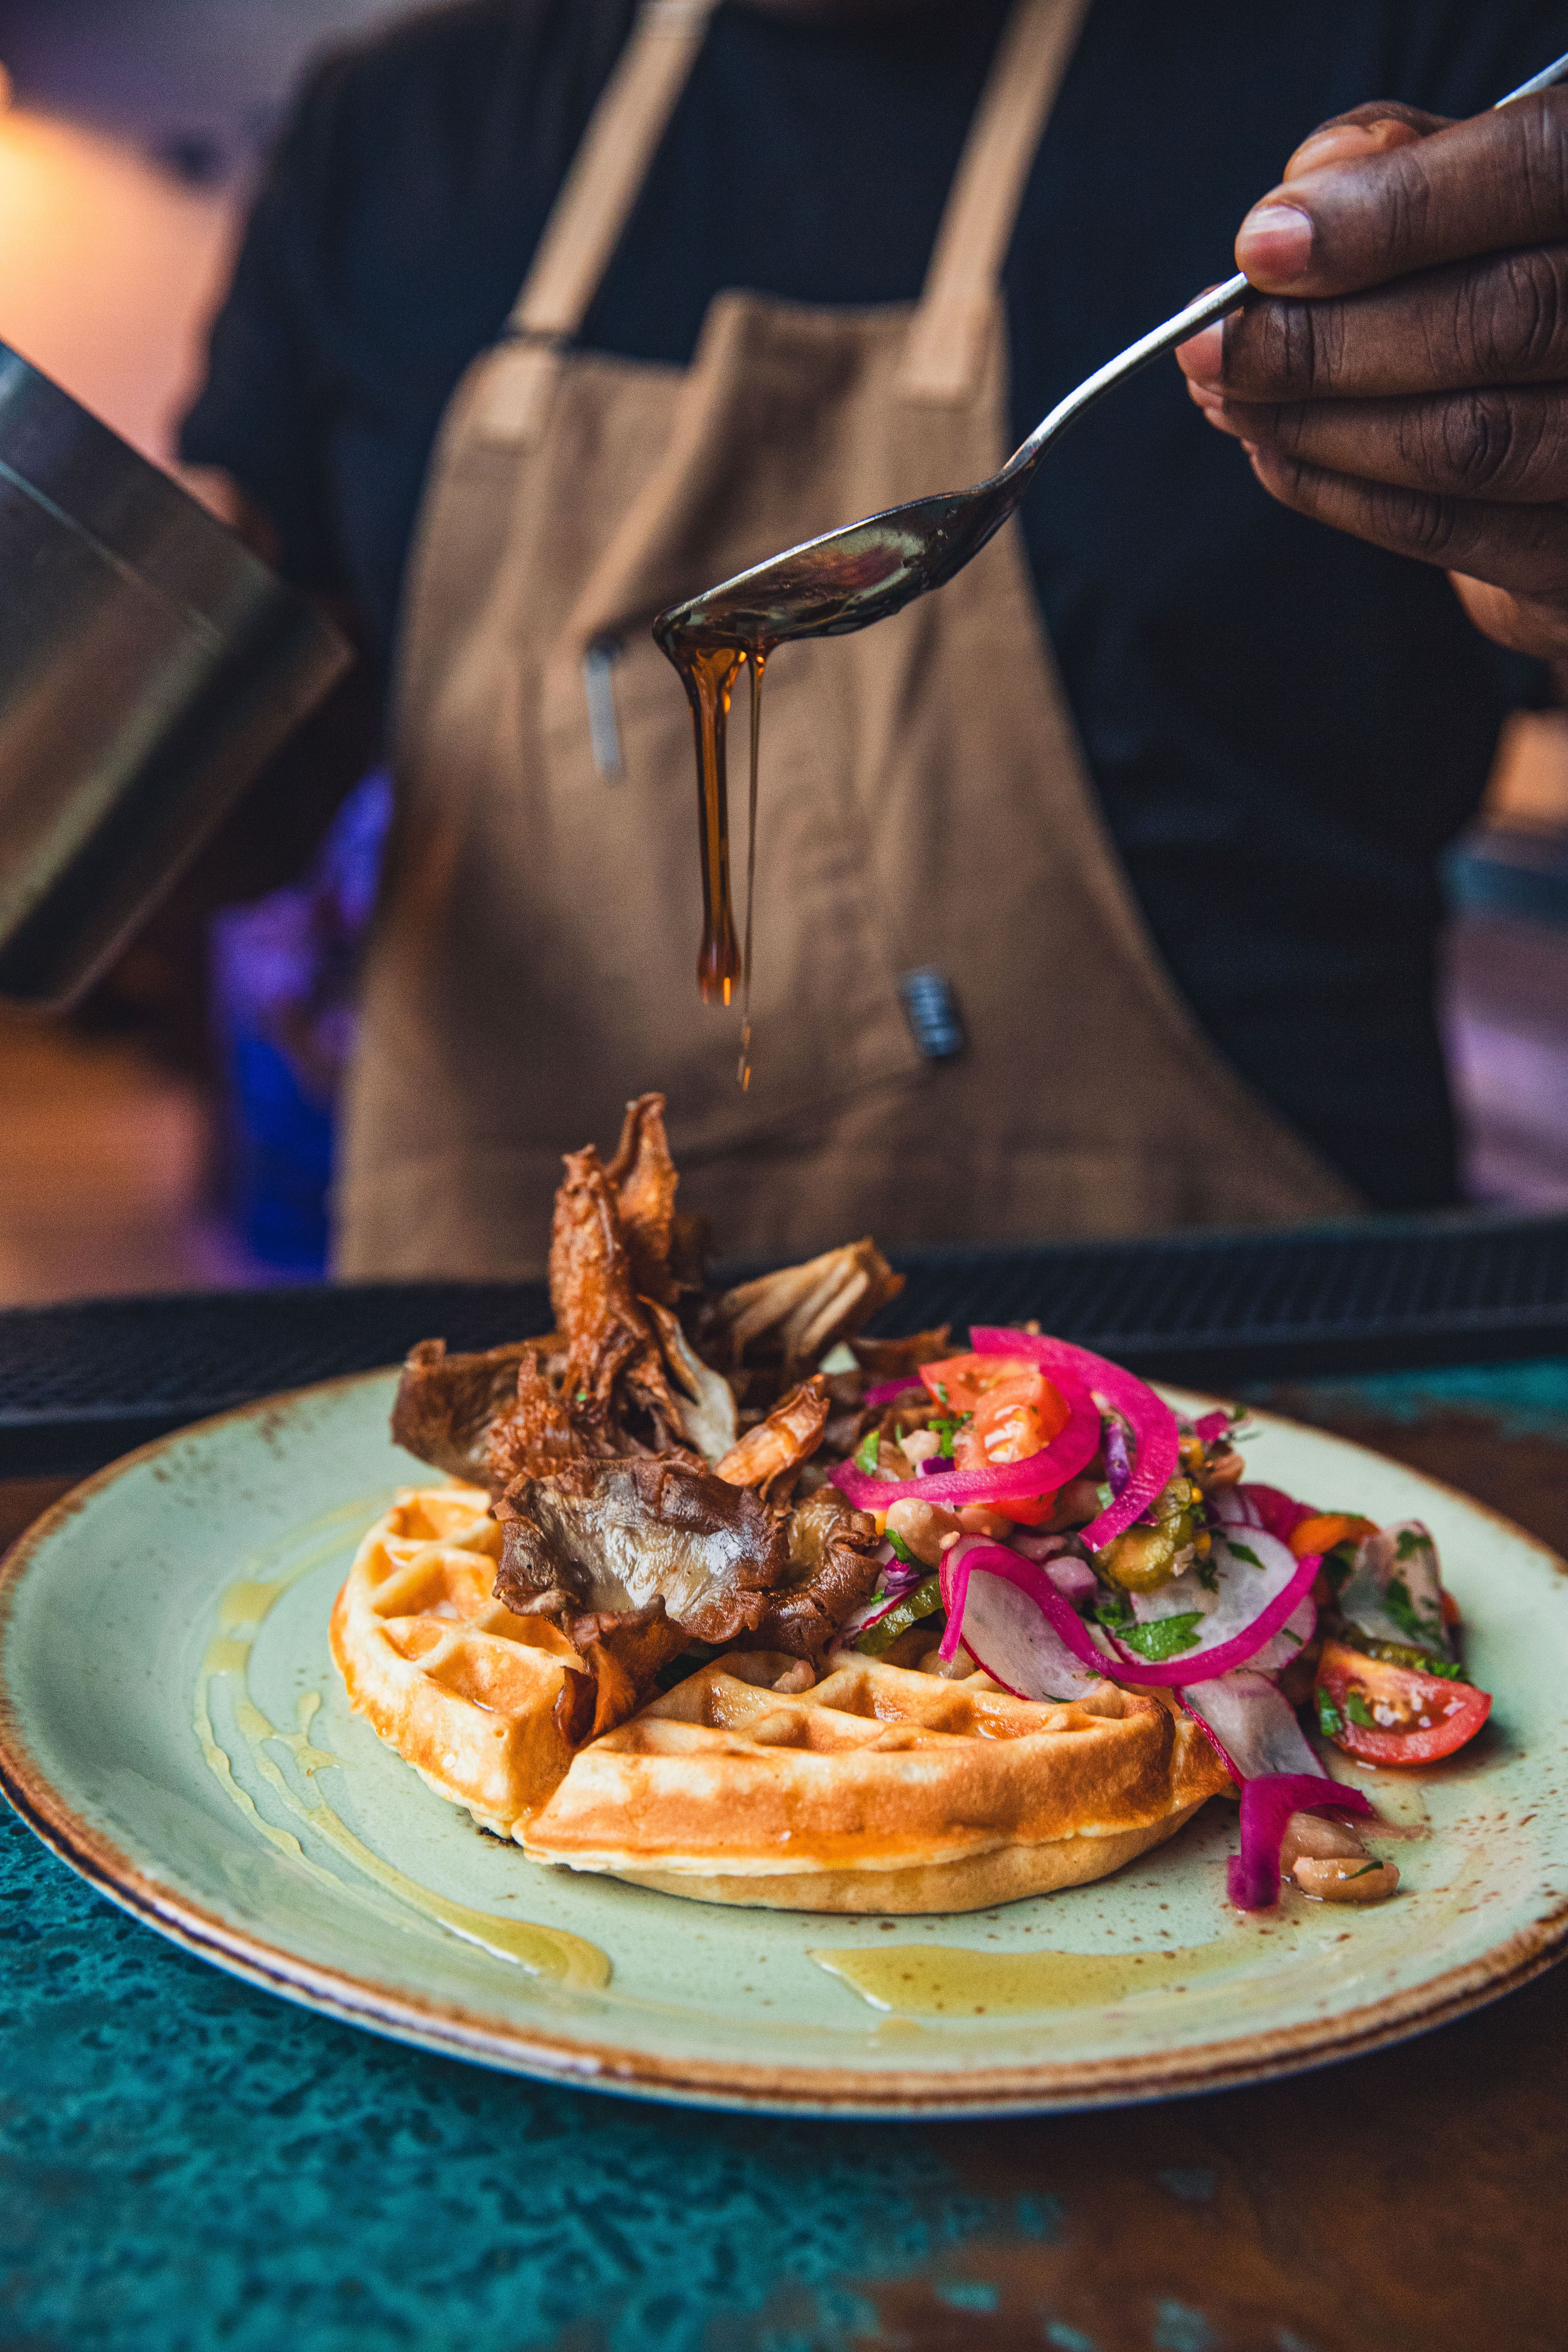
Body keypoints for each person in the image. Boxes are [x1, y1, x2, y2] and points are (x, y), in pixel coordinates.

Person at [180, 0, 1568, 1280]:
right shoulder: (394, 135)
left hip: (1239, 1363)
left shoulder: (1414, 65)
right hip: (497, 1390)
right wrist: (113, 734)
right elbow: (257, 778)